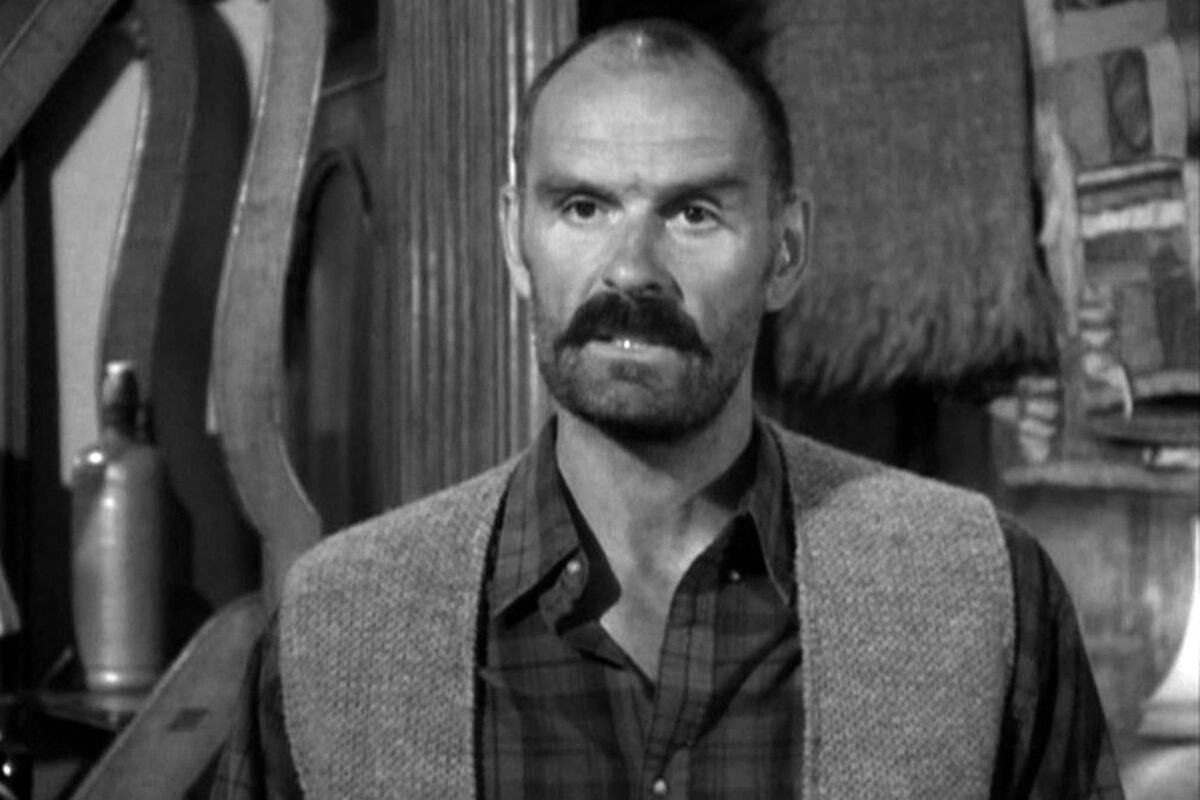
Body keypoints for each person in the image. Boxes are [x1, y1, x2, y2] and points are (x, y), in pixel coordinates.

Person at [213, 18, 1124, 799]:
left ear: (785, 251)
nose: (632, 270)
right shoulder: (343, 627)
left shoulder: (976, 592)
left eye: (693, 214)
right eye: (583, 207)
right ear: (515, 239)